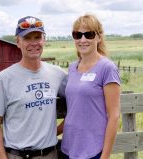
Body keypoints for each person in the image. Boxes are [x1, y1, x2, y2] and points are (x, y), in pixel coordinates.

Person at [0, 16, 67, 159]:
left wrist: (55, 131)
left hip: (51, 154)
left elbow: (80, 100)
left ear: (44, 40)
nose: (34, 43)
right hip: (18, 155)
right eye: (27, 38)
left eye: (38, 37)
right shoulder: (4, 79)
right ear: (18, 42)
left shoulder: (58, 74)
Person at [58, 14, 121, 159]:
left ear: (99, 37)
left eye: (89, 34)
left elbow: (114, 116)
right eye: (77, 35)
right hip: (69, 148)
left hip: (93, 150)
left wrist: (104, 156)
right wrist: (53, 132)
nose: (83, 39)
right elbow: (74, 110)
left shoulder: (107, 68)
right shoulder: (73, 68)